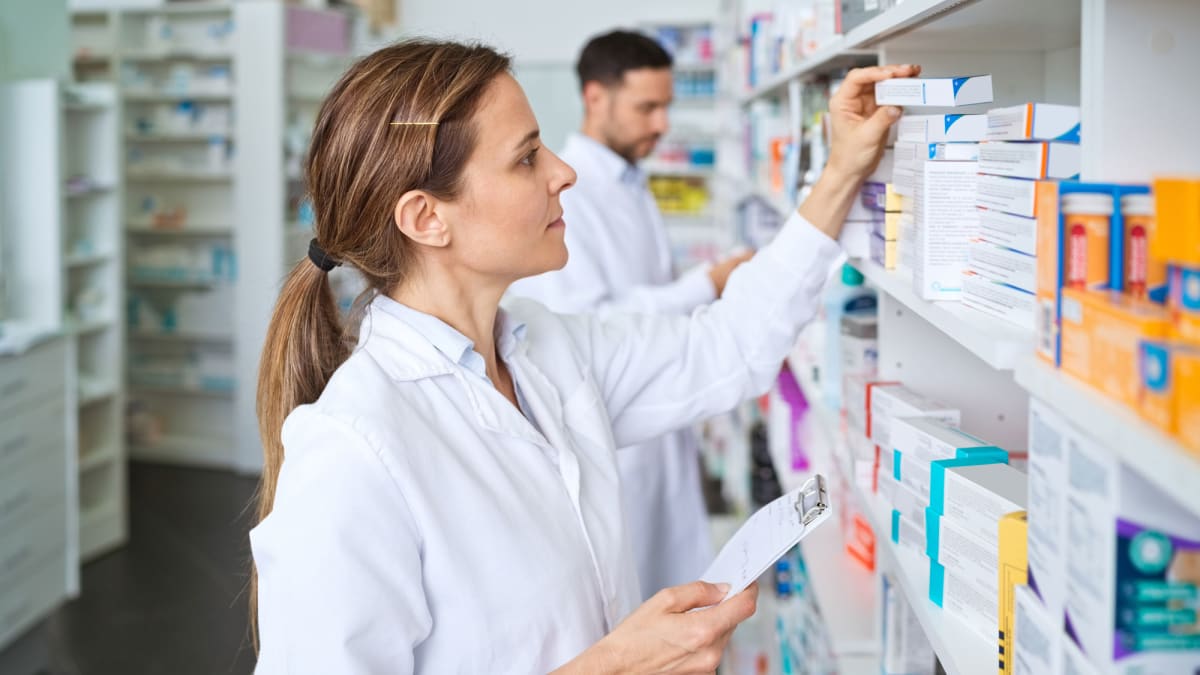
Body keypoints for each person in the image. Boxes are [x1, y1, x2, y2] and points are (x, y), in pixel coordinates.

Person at [250, 38, 916, 673]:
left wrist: (841, 171)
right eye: (526, 158)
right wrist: (616, 664)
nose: (564, 172)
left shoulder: (547, 348)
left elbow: (730, 344)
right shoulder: (352, 450)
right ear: (427, 218)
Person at [509, 30, 753, 600]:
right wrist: (704, 285)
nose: (662, 123)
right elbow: (585, 319)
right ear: (596, 97)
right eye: (647, 107)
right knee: (632, 599)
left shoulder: (629, 179)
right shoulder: (570, 195)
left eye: (666, 106)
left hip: (655, 414)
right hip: (617, 423)